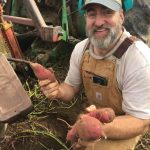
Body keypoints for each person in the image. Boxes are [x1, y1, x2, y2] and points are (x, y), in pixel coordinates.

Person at [39, 0, 150, 149]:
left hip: (125, 121)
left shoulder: (137, 58)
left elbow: (140, 122)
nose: (98, 22)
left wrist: (97, 129)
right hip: (92, 114)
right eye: (92, 14)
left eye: (107, 12)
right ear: (85, 18)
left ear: (121, 16)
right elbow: (71, 87)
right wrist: (57, 90)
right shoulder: (81, 48)